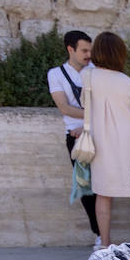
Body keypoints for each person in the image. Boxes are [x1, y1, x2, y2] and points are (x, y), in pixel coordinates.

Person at [81, 32, 130, 247]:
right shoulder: (128, 82)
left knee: (103, 193)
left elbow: (85, 105)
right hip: (129, 143)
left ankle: (105, 244)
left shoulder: (88, 76)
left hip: (101, 142)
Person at [47, 30, 101, 248]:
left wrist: (87, 124)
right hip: (77, 139)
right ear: (71, 49)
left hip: (98, 133)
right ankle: (99, 234)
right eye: (84, 50)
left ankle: (104, 235)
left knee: (105, 185)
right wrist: (90, 119)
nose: (89, 55)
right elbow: (64, 107)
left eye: (90, 50)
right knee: (86, 188)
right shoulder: (56, 74)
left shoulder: (96, 71)